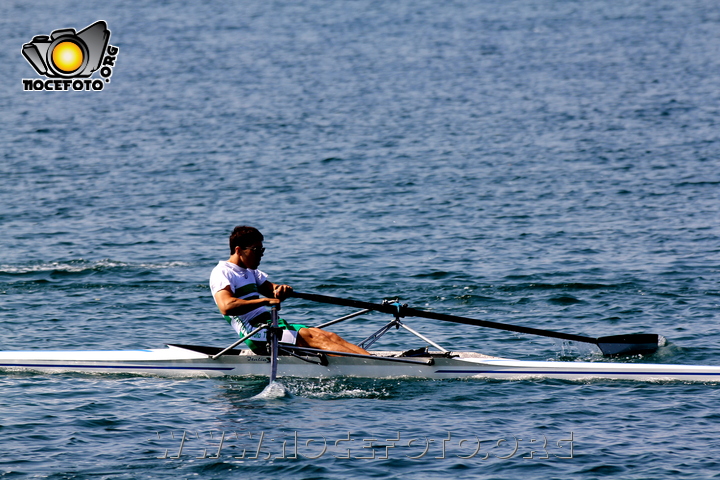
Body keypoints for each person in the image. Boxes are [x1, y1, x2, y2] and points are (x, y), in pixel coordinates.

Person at [209, 226, 370, 356]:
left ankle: (371, 360)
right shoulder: (222, 272)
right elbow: (226, 306)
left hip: (272, 325)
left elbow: (272, 291)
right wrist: (265, 301)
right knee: (316, 338)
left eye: (262, 250)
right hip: (256, 334)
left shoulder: (251, 271)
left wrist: (281, 289)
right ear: (238, 250)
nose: (261, 255)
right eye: (256, 250)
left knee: (328, 336)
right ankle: (369, 367)